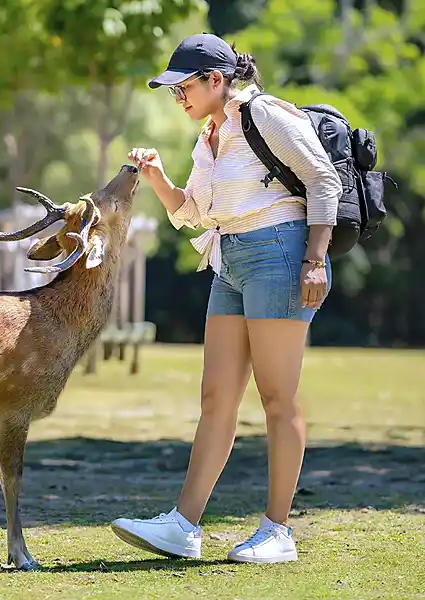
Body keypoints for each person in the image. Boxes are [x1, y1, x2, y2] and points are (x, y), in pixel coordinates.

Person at [111, 32, 342, 564]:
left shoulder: (267, 116)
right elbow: (193, 212)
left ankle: (278, 531)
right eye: (173, 91)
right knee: (216, 398)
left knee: (278, 399)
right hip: (229, 257)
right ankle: (183, 526)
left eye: (184, 88)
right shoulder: (208, 135)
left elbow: (323, 181)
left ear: (217, 80)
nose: (179, 98)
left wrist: (313, 260)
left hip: (281, 254)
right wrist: (159, 179)